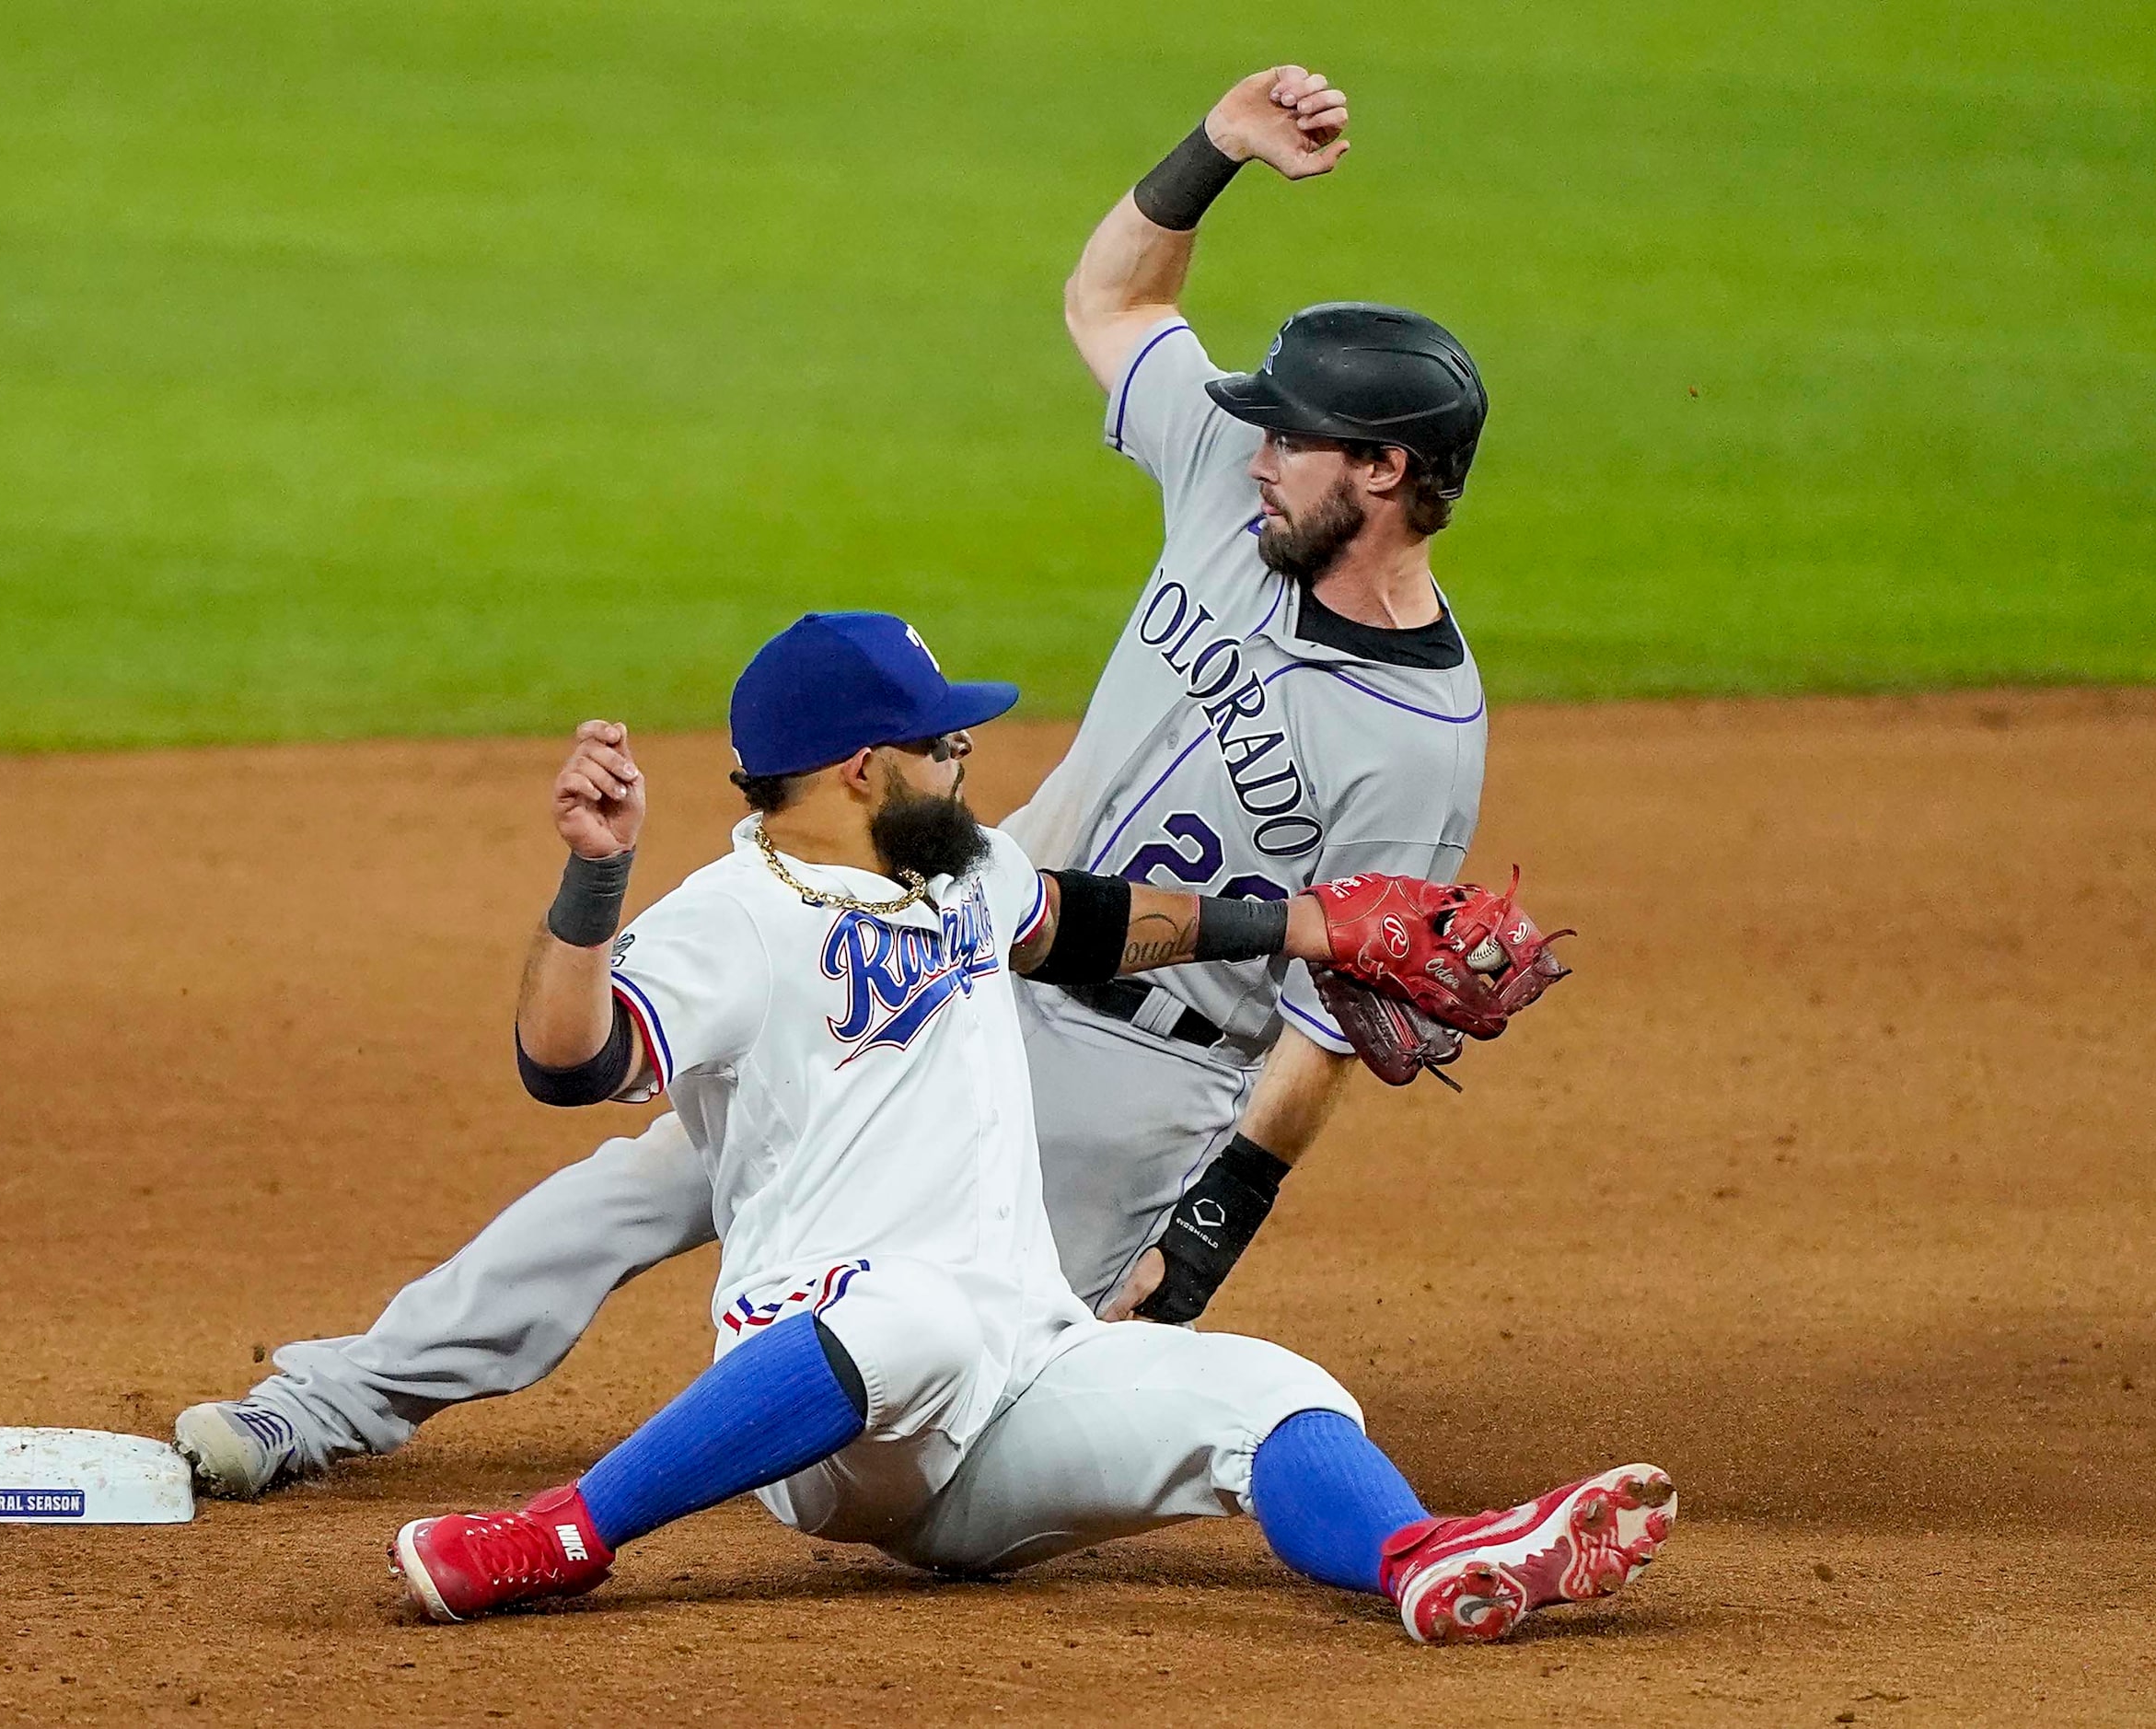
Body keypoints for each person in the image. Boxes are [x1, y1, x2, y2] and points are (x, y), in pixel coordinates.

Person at [180, 59, 1495, 1503]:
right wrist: (1212, 152)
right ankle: (329, 1397)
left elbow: (1330, 1004)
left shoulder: (1423, 735)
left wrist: (1214, 1217)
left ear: (1377, 472)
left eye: (1294, 433)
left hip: (1140, 1073)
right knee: (647, 1177)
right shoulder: (1232, 489)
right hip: (962, 924)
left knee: (953, 1414)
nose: (1257, 444)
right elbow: (1115, 305)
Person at [383, 612, 1672, 1645]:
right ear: (860, 767)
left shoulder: (964, 870)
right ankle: (558, 1534)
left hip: (1010, 1386)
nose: (966, 758)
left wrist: (1315, 924)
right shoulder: (730, 917)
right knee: (918, 1315)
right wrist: (596, 880)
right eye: (942, 742)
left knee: (1271, 1389)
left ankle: (1425, 1558)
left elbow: (1085, 922)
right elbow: (569, 1060)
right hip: (831, 1393)